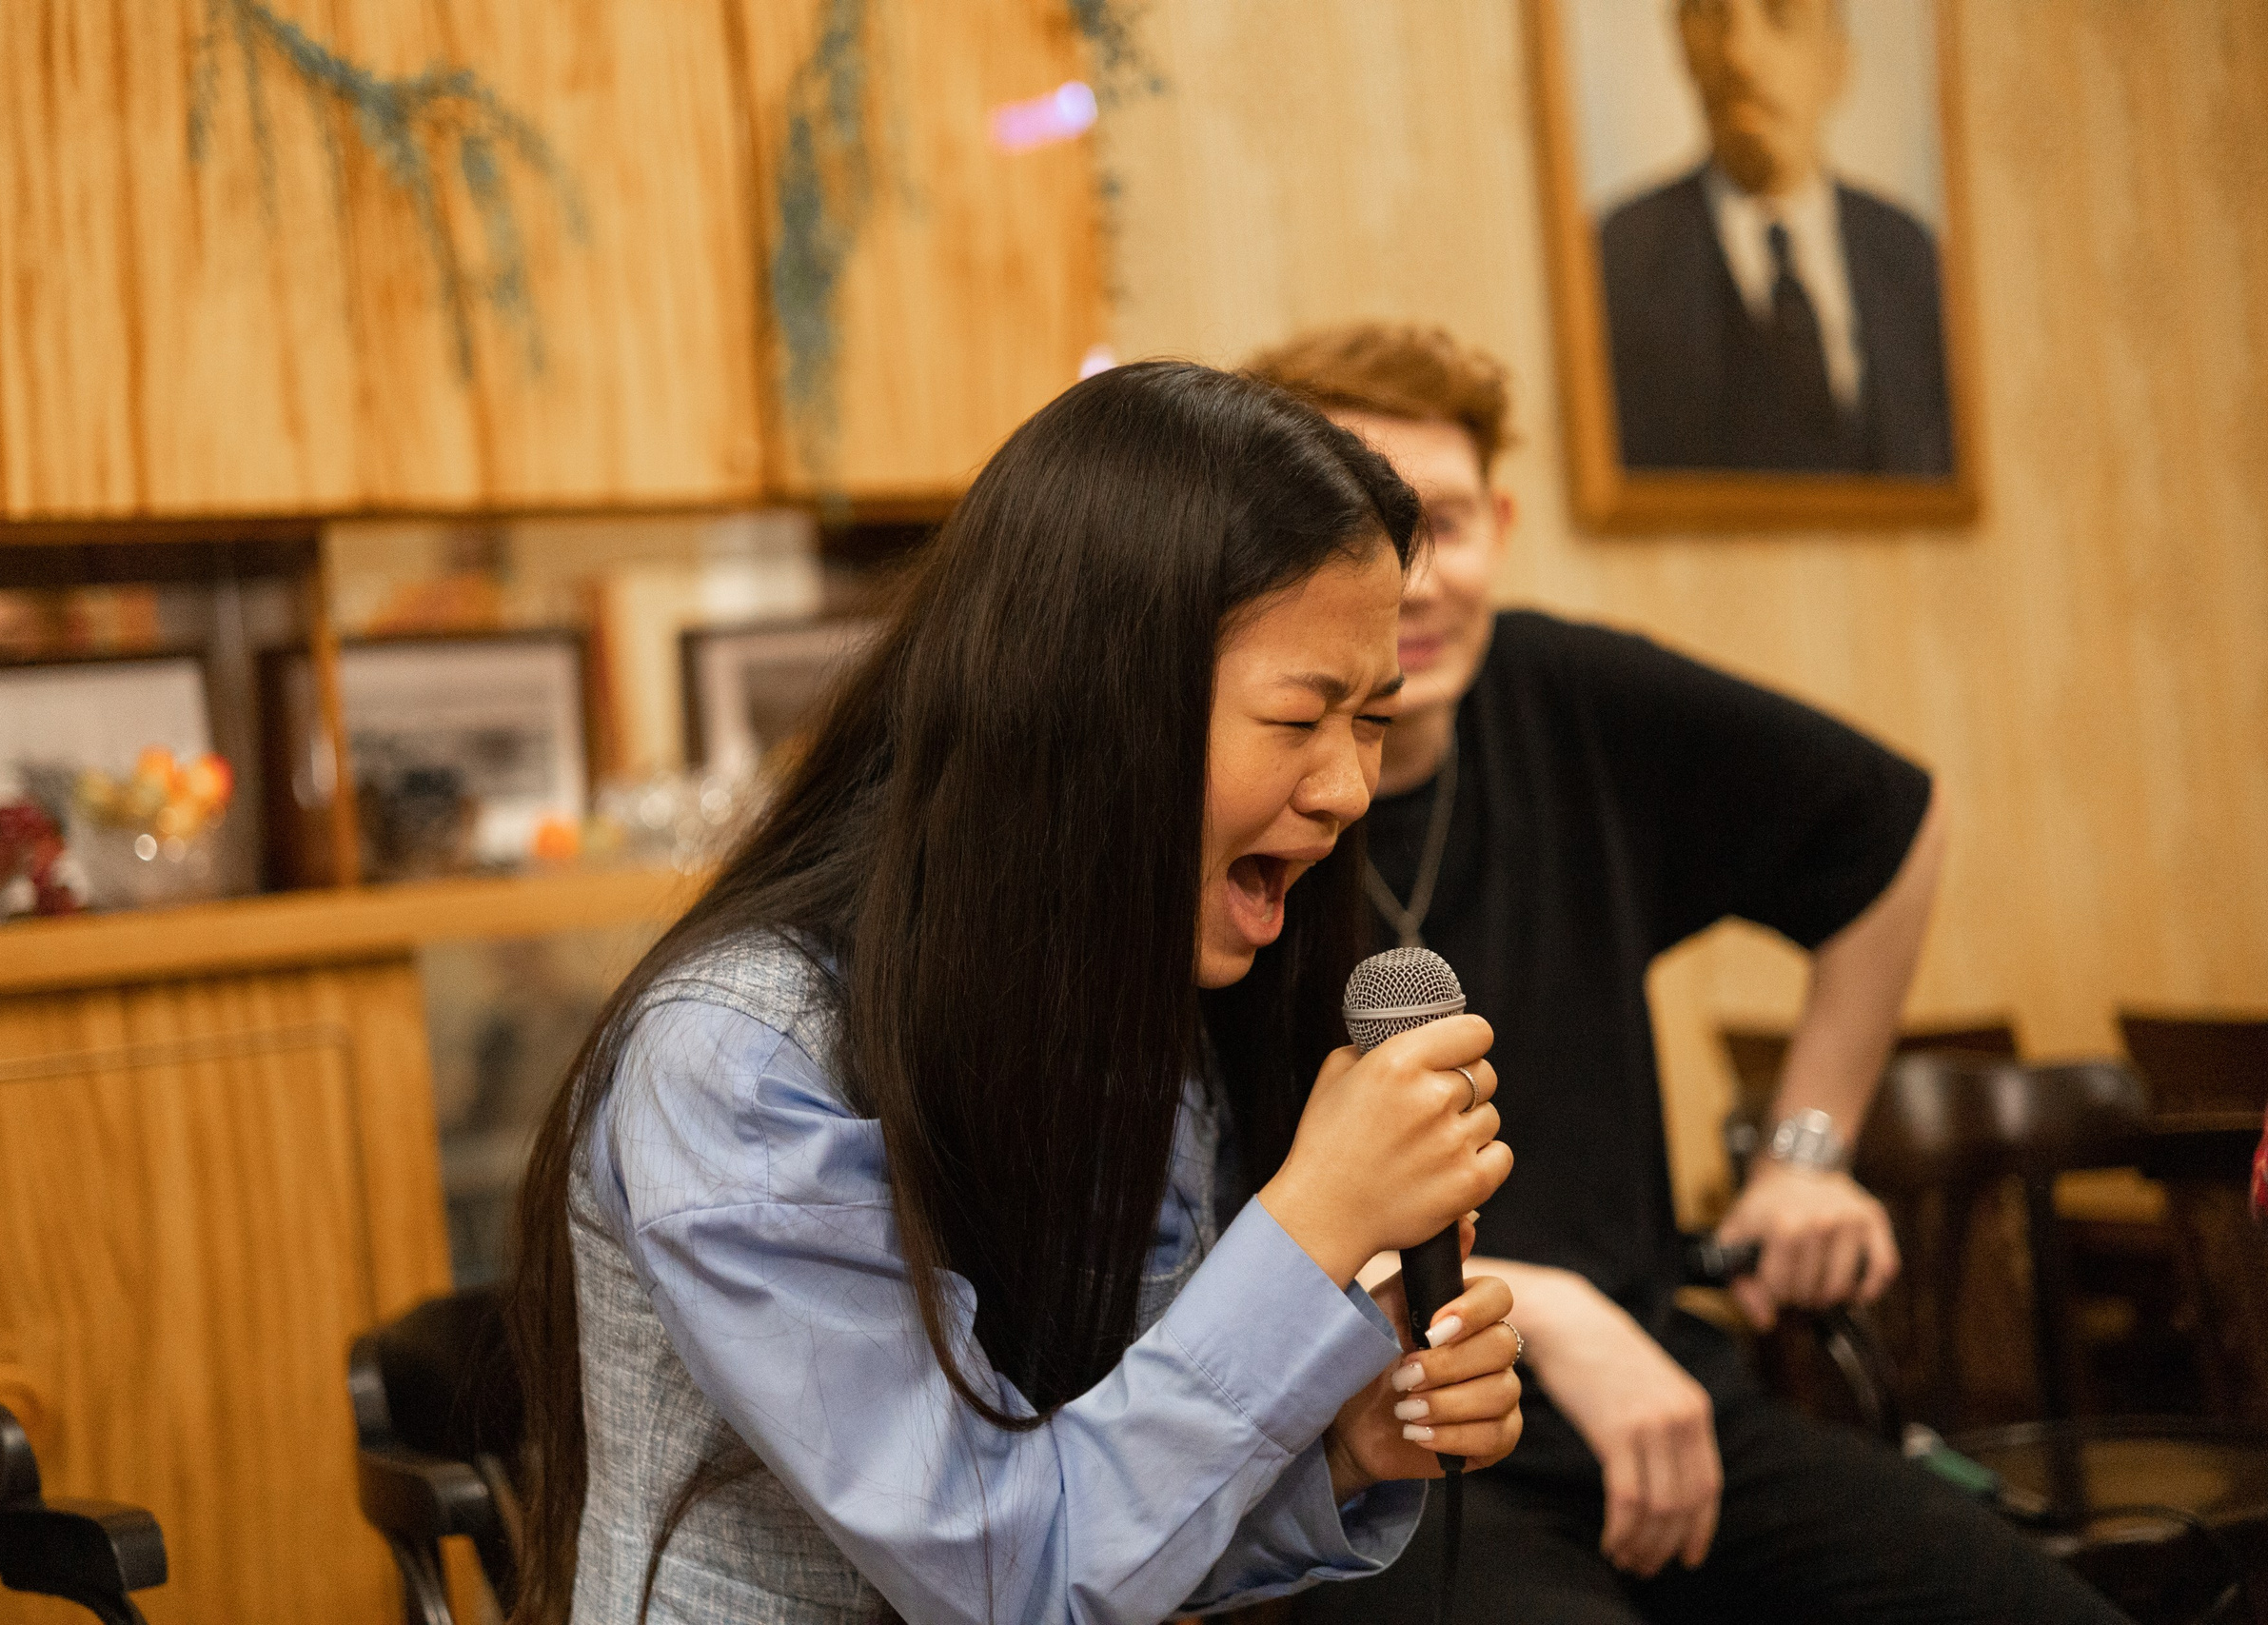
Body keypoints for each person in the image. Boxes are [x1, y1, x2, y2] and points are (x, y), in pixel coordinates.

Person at [503, 361, 1528, 1625]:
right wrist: (1316, 1218)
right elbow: (1006, 1572)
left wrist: (1342, 1450)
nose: (1348, 789)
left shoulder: (1141, 1016)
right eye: (1297, 720)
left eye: (1370, 720)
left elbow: (1112, 1523)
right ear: (1090, 706)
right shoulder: (738, 1059)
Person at [1251, 323, 2128, 1624]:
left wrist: (1807, 1151)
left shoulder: (1573, 697)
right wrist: (1543, 1311)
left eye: (1445, 523)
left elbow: (1893, 823)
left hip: (1664, 1390)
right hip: (1388, 1440)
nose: (1415, 580)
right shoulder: (1230, 796)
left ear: (1501, 524)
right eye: (1367, 531)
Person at [1600, 0, 1955, 475]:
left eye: (1782, 17)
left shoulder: (1912, 259)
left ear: (1835, 62)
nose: (1740, 55)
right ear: (1684, 46)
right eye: (1714, 16)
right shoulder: (1617, 261)